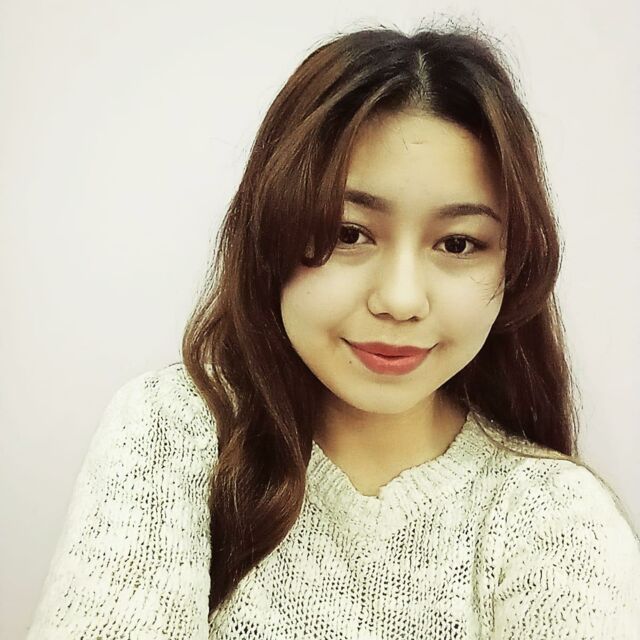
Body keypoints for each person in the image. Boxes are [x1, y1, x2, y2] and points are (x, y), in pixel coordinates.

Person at [27, 20, 640, 639]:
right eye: (350, 233)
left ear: (514, 267)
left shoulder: (555, 517)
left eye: (458, 244)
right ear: (271, 235)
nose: (400, 300)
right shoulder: (173, 430)